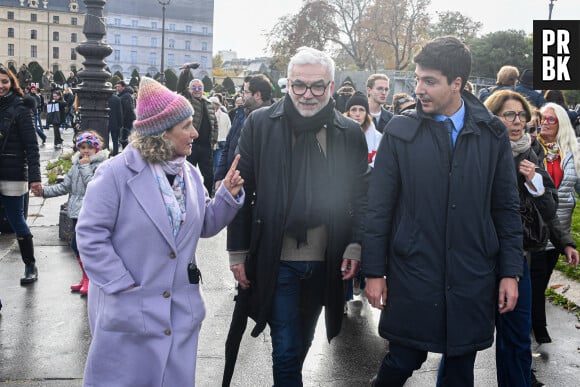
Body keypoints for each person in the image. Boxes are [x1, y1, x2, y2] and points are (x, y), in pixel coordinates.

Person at [363, 36, 522, 386]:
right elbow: (378, 208)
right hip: (412, 272)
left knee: (459, 370)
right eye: (418, 79)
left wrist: (510, 272)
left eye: (429, 81)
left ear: (457, 84)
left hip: (472, 274)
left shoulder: (491, 132)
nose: (419, 88)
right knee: (402, 359)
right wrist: (374, 272)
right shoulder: (400, 130)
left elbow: (506, 208)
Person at [75, 77, 244, 386]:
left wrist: (227, 197)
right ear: (163, 132)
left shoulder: (189, 173)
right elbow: (89, 235)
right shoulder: (114, 173)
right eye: (187, 126)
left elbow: (202, 224)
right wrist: (122, 285)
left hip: (178, 311)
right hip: (129, 306)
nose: (195, 133)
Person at [224, 46, 369, 386]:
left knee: (302, 342)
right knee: (286, 349)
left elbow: (362, 197)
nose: (307, 94)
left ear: (331, 88)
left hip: (327, 259)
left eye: (317, 86)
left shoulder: (348, 133)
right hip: (276, 258)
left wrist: (355, 245)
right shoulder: (260, 124)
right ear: (287, 85)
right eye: (299, 85)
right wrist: (237, 252)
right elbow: (240, 192)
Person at [484, 90, 567, 387]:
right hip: (481, 256)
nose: (517, 122)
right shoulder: (481, 152)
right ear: (494, 117)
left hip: (519, 257)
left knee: (517, 336)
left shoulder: (532, 153)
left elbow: (550, 208)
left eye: (521, 116)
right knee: (465, 343)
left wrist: (535, 184)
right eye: (509, 115)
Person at [31, 131, 109, 296]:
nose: (85, 151)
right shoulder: (76, 165)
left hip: (90, 212)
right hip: (75, 211)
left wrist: (86, 167)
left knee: (80, 245)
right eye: (82, 147)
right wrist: (44, 192)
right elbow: (65, 187)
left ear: (96, 148)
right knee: (76, 245)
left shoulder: (100, 166)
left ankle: (90, 279)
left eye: (89, 147)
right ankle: (85, 277)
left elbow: (92, 186)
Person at [530, 102, 580, 344]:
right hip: (535, 227)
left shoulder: (572, 151)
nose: (545, 123)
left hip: (559, 228)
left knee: (543, 277)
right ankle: (538, 329)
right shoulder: (531, 147)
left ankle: (534, 325)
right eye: (542, 118)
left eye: (551, 120)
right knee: (536, 281)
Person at [0, 64, 41, 285]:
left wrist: (35, 178)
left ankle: (30, 264)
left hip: (13, 173)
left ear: (12, 82)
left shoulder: (21, 107)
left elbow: (32, 146)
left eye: (5, 81)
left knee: (17, 220)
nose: (1, 86)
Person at [214, 74, 272, 191]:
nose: (242, 95)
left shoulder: (273, 120)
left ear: (258, 95)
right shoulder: (240, 113)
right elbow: (228, 146)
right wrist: (219, 177)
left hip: (256, 189)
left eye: (245, 92)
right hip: (231, 182)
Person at [182, 78, 218, 195]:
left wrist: (213, 141)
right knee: (188, 174)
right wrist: (186, 72)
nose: (197, 90)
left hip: (206, 146)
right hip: (192, 145)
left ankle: (207, 197)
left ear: (203, 89)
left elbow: (214, 124)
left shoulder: (209, 104)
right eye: (194, 88)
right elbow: (182, 89)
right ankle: (188, 195)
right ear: (189, 89)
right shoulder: (189, 101)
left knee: (208, 175)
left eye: (199, 88)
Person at [209, 95, 231, 176]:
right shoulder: (224, 116)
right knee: (214, 165)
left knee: (216, 165)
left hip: (219, 142)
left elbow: (229, 129)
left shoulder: (223, 116)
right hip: (215, 142)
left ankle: (215, 183)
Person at [115, 80, 136, 150]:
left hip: (127, 120)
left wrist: (121, 120)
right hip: (126, 119)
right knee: (124, 137)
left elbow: (128, 109)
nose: (117, 88)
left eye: (119, 87)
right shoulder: (123, 95)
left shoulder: (126, 95)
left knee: (124, 137)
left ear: (123, 87)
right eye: (116, 87)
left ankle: (126, 151)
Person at [107, 91, 123, 156]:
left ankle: (107, 153)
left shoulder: (103, 98)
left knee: (105, 139)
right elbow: (119, 112)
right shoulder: (117, 99)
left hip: (105, 122)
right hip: (115, 122)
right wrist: (120, 123)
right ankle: (115, 153)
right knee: (115, 140)